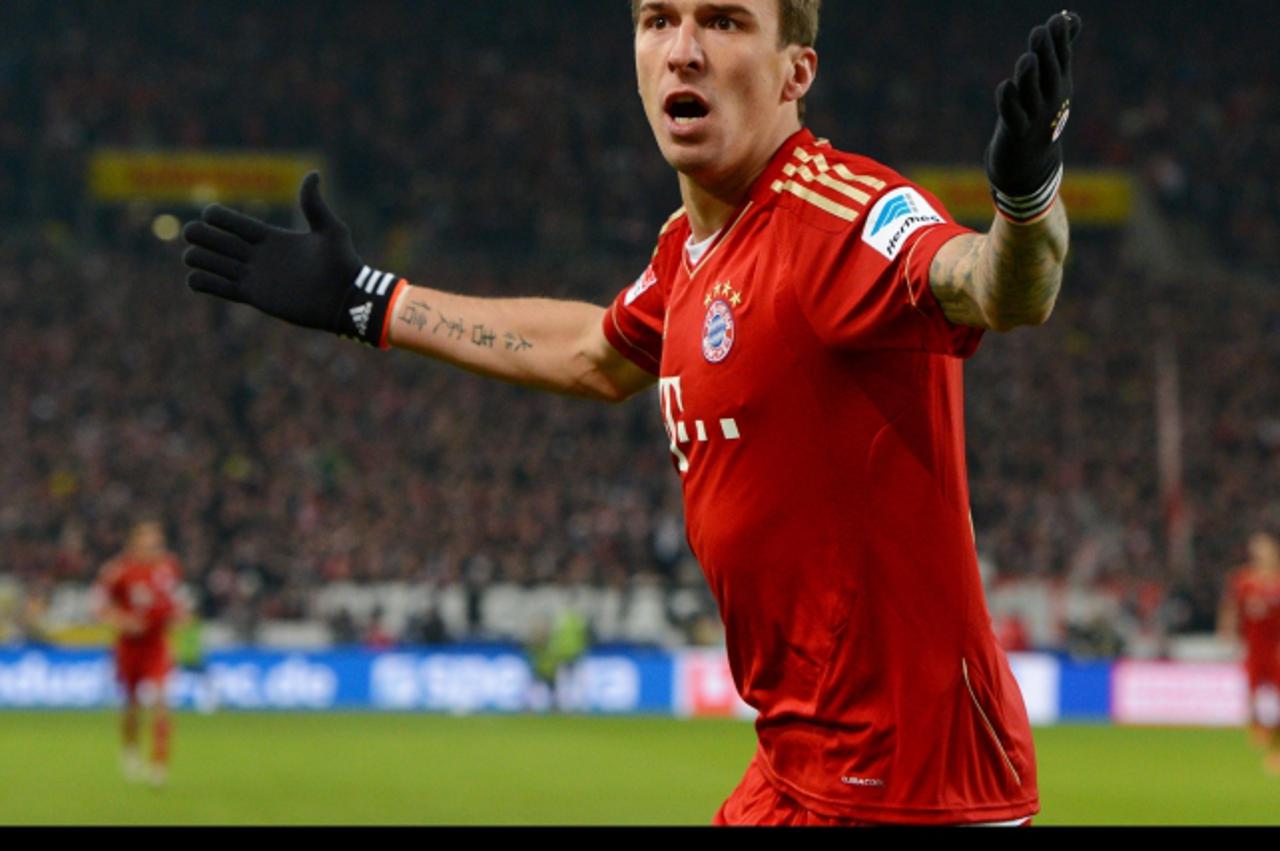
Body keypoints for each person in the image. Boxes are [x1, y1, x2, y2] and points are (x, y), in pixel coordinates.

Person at [181, 1, 1080, 824]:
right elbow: (594, 354)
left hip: (921, 785)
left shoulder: (839, 217)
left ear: (794, 72)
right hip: (797, 764)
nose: (682, 51)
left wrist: (1026, 202)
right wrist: (369, 301)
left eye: (724, 23)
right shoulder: (688, 248)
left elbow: (999, 288)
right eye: (658, 21)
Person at [93, 520, 186, 785]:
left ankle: (159, 764)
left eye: (157, 544)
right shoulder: (118, 571)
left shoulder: (169, 567)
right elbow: (100, 606)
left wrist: (178, 615)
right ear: (135, 545)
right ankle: (130, 749)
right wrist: (122, 621)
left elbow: (172, 602)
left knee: (161, 702)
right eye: (148, 544)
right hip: (129, 647)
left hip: (156, 645)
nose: (154, 549)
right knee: (131, 707)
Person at [1218, 532, 1280, 774]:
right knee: (1252, 693)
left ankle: (1276, 749)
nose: (1259, 555)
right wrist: (1227, 630)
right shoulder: (1243, 580)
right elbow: (1232, 607)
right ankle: (1260, 730)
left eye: (1264, 550)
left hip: (1276, 649)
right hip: (1253, 648)